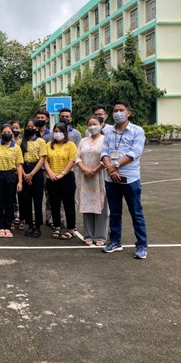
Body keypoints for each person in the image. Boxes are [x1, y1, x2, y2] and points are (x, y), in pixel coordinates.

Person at [100, 100, 148, 259]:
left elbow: (135, 152)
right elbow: (104, 152)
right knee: (114, 212)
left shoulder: (137, 131)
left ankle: (141, 245)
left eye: (121, 110)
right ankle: (115, 241)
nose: (117, 113)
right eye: (115, 110)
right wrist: (110, 168)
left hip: (130, 178)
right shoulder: (108, 132)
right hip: (111, 178)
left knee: (136, 212)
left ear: (128, 113)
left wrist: (117, 165)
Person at [76, 116, 108, 246]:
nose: (92, 126)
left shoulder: (105, 140)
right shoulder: (83, 141)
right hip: (85, 178)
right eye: (89, 124)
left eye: (95, 124)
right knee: (87, 206)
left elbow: (106, 157)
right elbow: (77, 157)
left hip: (100, 177)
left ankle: (101, 236)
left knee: (101, 206)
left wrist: (95, 170)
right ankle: (88, 234)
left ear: (101, 124)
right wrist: (84, 169)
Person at [44, 122, 77, 240]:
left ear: (65, 133)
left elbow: (72, 160)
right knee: (54, 204)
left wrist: (62, 174)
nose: (58, 134)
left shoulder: (71, 145)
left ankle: (71, 229)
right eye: (56, 131)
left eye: (60, 131)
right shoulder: (48, 145)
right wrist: (51, 173)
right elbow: (45, 160)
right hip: (51, 178)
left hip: (67, 178)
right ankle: (57, 227)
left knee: (68, 204)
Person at [0, 124, 23, 238]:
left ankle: (8, 225)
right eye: (4, 132)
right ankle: (0, 226)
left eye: (9, 132)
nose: (7, 134)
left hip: (11, 175)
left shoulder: (16, 148)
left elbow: (19, 165)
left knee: (10, 202)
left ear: (12, 134)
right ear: (0, 134)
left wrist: (20, 181)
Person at [19, 118, 47, 238]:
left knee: (37, 200)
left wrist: (31, 174)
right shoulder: (22, 142)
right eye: (28, 126)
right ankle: (29, 224)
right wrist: (25, 174)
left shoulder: (40, 141)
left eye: (32, 126)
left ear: (36, 128)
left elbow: (42, 159)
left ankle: (38, 226)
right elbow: (19, 160)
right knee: (26, 201)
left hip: (36, 172)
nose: (30, 128)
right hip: (24, 170)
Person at [10, 120, 23, 229]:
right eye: (12, 128)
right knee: (11, 197)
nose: (15, 130)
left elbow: (19, 162)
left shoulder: (21, 143)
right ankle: (12, 217)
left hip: (19, 172)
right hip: (7, 173)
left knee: (20, 196)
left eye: (17, 128)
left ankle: (20, 217)